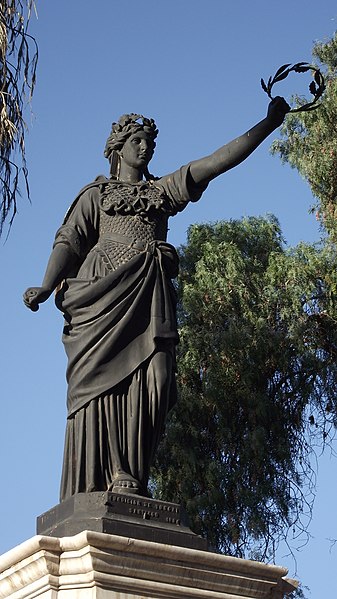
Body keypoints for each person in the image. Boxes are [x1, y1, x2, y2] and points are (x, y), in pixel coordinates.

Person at [23, 98, 289, 500]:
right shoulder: (96, 195)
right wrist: (46, 285)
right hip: (102, 297)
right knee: (106, 388)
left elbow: (216, 162)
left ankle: (135, 470)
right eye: (138, 140)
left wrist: (268, 124)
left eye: (150, 141)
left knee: (159, 382)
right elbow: (69, 241)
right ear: (119, 147)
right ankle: (117, 474)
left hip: (149, 296)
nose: (145, 147)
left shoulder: (162, 192)